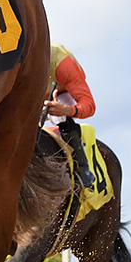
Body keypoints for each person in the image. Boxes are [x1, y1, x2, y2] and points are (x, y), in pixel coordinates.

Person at [43, 45, 96, 190]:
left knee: (60, 114)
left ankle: (82, 168)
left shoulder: (63, 64)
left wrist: (67, 110)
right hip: (33, 92)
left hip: (61, 93)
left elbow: (89, 106)